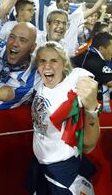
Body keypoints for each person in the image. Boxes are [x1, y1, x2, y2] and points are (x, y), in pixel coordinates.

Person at [29, 41, 100, 194]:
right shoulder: (39, 82)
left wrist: (90, 101)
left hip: (63, 167)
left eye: (54, 60)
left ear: (64, 64)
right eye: (43, 61)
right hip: (40, 163)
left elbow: (85, 79)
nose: (47, 66)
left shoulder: (73, 81)